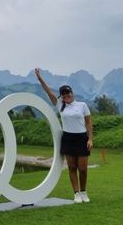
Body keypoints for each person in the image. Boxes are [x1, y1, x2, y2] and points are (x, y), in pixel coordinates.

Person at [35, 68, 93, 203]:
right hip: (68, 138)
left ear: (72, 93)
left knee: (83, 169)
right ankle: (76, 193)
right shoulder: (60, 105)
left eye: (68, 93)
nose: (66, 95)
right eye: (64, 94)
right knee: (72, 167)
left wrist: (90, 139)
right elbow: (49, 91)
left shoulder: (82, 105)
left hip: (81, 138)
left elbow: (89, 123)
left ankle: (84, 192)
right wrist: (40, 78)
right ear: (61, 96)